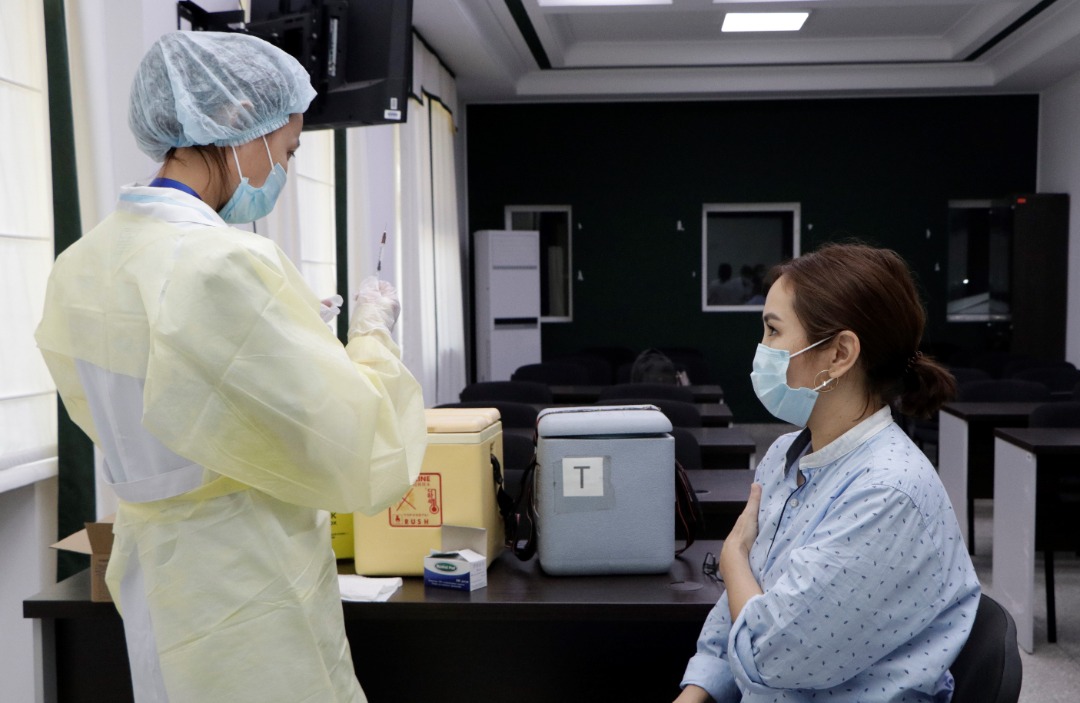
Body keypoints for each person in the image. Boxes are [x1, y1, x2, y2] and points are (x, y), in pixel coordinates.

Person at [35, 31, 427, 702]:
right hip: (246, 582)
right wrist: (371, 332)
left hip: (157, 573)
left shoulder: (84, 263)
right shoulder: (225, 262)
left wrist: (287, 332)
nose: (284, 169)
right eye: (289, 149)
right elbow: (360, 448)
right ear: (241, 121)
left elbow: (162, 397)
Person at [675, 243, 979, 703]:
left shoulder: (886, 492)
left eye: (773, 331)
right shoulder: (786, 455)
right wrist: (695, 693)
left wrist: (733, 556)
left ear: (839, 354)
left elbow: (769, 654)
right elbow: (735, 617)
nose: (762, 350)